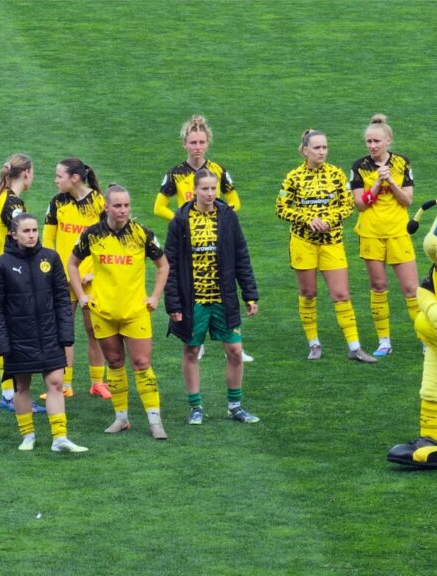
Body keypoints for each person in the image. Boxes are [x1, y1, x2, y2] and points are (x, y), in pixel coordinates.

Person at [68, 184, 169, 440]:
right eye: (117, 205)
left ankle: (155, 420)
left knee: (142, 364)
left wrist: (155, 297)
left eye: (126, 205)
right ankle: (121, 418)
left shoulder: (142, 234)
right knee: (114, 363)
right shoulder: (92, 235)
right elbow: (72, 263)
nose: (123, 210)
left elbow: (163, 266)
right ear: (106, 207)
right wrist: (81, 295)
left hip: (135, 312)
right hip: (103, 313)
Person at [165, 169, 261, 425]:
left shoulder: (228, 218)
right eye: (204, 189)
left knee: (235, 350)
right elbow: (170, 265)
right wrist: (173, 303)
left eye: (213, 189)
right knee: (191, 350)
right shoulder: (180, 220)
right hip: (192, 299)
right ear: (194, 190)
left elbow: (241, 256)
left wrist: (250, 295)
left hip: (223, 297)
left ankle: (235, 406)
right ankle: (196, 406)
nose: (209, 194)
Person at [154, 114, 252, 363]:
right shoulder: (175, 173)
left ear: (208, 143)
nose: (197, 147)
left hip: (215, 233)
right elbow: (158, 207)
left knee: (225, 279)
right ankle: (198, 340)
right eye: (193, 142)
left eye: (201, 142)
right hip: (189, 238)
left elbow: (235, 202)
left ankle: (232, 342)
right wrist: (183, 222)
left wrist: (223, 222)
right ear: (184, 144)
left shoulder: (218, 171)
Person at [0, 213, 87, 453]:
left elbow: (63, 299)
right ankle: (28, 435)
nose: (31, 235)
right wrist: (1, 344)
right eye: (26, 231)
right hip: (18, 338)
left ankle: (59, 437)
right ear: (14, 234)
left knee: (55, 383)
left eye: (34, 230)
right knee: (22, 387)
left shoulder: (51, 258)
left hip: (49, 335)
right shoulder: (0, 265)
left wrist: (65, 334)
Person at [278, 130, 378, 363]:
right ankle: (314, 343)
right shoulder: (293, 177)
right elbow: (281, 207)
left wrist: (330, 221)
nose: (322, 151)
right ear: (305, 150)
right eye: (317, 148)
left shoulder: (335, 174)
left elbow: (348, 206)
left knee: (341, 294)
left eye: (324, 147)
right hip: (303, 243)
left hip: (332, 243)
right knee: (308, 293)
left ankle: (355, 347)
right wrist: (307, 220)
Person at [349, 114, 420, 357]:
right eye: (368, 141)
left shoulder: (402, 164)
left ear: (388, 140)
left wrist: (391, 181)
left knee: (411, 288)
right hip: (370, 233)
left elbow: (407, 200)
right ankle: (384, 341)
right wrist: (377, 185)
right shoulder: (359, 167)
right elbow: (360, 204)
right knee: (378, 286)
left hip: (398, 232)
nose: (372, 145)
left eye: (376, 141)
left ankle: (426, 340)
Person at [42, 158, 108, 400]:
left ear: (75, 178)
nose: (55, 180)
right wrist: (54, 270)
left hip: (92, 278)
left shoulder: (100, 203)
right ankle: (65, 383)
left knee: (94, 330)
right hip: (62, 278)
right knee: (63, 331)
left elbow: (107, 241)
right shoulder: (56, 203)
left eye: (59, 176)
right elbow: (48, 241)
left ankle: (97, 382)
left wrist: (96, 272)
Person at [0, 153, 44, 413]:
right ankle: (10, 395)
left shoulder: (1, 198)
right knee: (13, 334)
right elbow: (24, 241)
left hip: (1, 271)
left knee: (7, 332)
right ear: (27, 173)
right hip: (11, 274)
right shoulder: (14, 205)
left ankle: (9, 393)